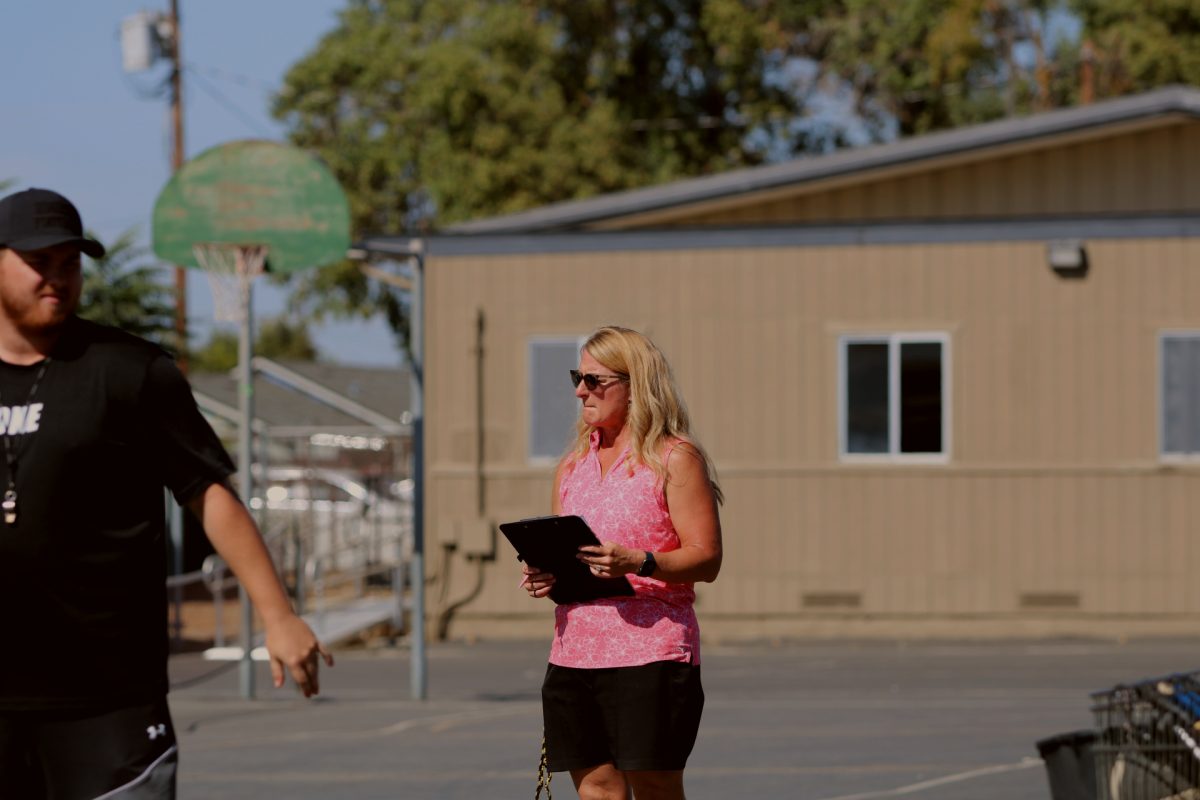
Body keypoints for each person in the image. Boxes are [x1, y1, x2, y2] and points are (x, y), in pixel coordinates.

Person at [0, 187, 333, 799]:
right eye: (37, 261)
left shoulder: (130, 370)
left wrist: (278, 615)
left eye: (69, 262)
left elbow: (208, 492)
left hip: (107, 694)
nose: (57, 277)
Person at [520, 325, 723, 800]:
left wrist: (640, 561)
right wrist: (545, 574)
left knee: (655, 787)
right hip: (574, 653)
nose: (580, 391)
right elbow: (565, 553)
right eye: (578, 377)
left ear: (636, 387)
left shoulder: (674, 458)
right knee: (596, 789)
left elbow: (707, 557)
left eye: (595, 380)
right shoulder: (571, 467)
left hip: (651, 653)